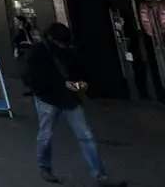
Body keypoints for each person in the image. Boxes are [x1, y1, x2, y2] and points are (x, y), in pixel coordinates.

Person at [25, 23, 125, 186]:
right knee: (50, 133)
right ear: (53, 39)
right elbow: (34, 79)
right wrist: (64, 84)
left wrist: (80, 82)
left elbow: (77, 69)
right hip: (49, 97)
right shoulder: (38, 53)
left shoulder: (64, 51)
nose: (63, 46)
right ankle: (46, 166)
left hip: (65, 97)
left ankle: (99, 175)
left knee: (80, 135)